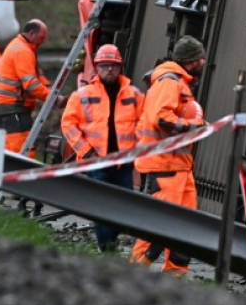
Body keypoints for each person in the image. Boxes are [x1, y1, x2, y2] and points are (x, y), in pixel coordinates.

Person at [129, 35, 206, 277]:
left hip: (179, 166)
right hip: (165, 166)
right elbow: (162, 120)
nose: (204, 62)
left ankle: (174, 277)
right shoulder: (169, 82)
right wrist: (194, 126)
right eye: (201, 58)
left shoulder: (178, 82)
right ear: (193, 61)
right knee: (158, 226)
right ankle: (134, 272)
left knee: (184, 226)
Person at [61, 43, 144, 253]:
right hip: (95, 162)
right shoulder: (82, 94)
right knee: (100, 207)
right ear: (97, 67)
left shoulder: (134, 95)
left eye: (113, 66)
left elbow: (143, 124)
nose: (109, 69)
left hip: (123, 163)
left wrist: (137, 151)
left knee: (125, 206)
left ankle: (110, 242)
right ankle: (106, 248)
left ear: (120, 67)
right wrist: (87, 151)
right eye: (105, 65)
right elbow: (68, 125)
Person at [0, 19, 67, 157]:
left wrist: (50, 88)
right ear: (32, 33)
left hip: (10, 107)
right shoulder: (23, 51)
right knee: (22, 151)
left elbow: (37, 75)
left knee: (16, 148)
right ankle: (25, 177)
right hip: (13, 108)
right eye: (42, 37)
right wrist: (55, 99)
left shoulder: (22, 47)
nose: (43, 41)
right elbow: (31, 84)